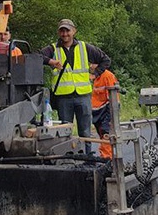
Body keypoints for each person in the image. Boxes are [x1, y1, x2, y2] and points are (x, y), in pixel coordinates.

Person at [40, 19, 110, 155]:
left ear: (74, 31)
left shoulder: (85, 47)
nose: (65, 33)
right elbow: (36, 55)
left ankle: (88, 157)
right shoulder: (53, 48)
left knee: (85, 132)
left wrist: (95, 74)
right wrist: (51, 61)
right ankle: (68, 158)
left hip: (82, 96)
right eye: (62, 30)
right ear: (58, 32)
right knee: (65, 132)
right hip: (63, 98)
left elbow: (106, 60)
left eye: (67, 30)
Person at [90, 64, 119, 159]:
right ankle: (106, 158)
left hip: (106, 112)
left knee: (106, 136)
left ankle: (108, 160)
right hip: (98, 113)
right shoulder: (97, 77)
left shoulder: (107, 76)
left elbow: (113, 100)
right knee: (103, 137)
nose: (90, 66)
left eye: (92, 64)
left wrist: (109, 118)